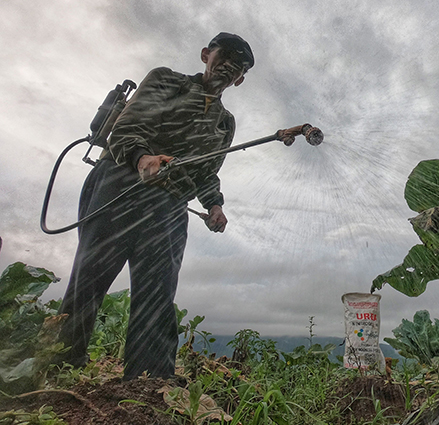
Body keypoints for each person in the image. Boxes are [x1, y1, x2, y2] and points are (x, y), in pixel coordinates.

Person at [56, 33, 292, 380]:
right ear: (205, 55)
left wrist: (214, 204)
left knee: (158, 291)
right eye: (224, 56)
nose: (228, 67)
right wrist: (142, 158)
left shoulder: (225, 123)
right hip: (120, 183)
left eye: (238, 67)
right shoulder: (166, 79)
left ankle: (149, 381)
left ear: (240, 79)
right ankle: (57, 366)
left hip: (169, 204)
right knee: (89, 278)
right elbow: (126, 128)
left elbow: (207, 172)